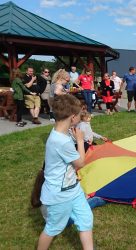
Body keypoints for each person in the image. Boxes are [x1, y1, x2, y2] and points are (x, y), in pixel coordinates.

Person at [37, 94, 93, 250]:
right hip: (59, 195)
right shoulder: (60, 141)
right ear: (73, 117)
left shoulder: (61, 132)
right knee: (53, 228)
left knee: (85, 219)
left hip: (73, 189)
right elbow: (80, 162)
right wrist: (80, 141)